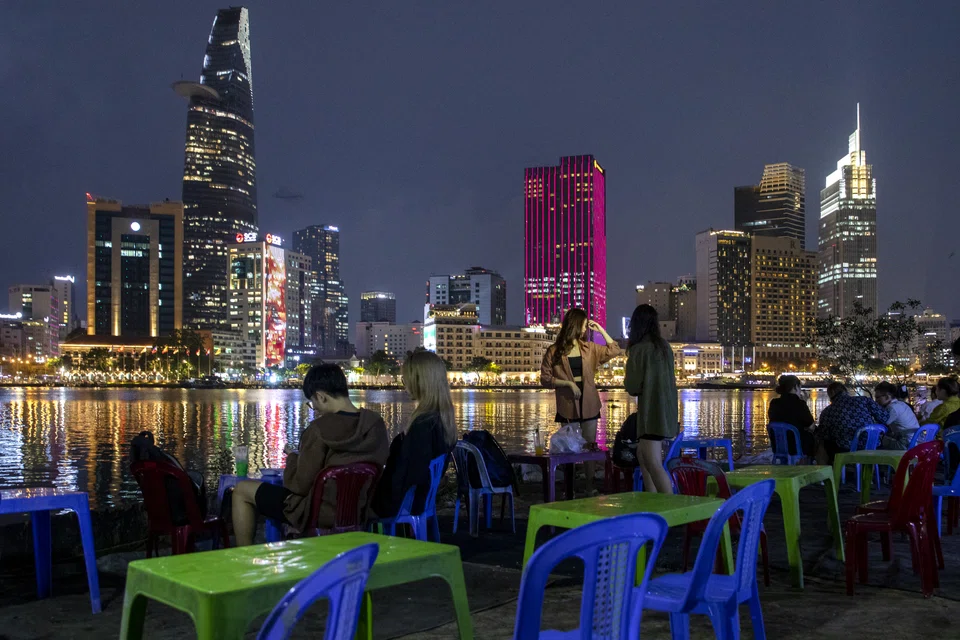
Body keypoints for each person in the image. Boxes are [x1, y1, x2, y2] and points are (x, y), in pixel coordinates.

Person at [231, 363, 389, 546]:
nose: (315, 409)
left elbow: (300, 485)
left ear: (321, 396)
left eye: (312, 403)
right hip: (360, 509)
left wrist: (292, 458)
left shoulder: (318, 430)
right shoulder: (375, 424)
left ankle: (244, 556)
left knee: (242, 490)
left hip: (316, 511)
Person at [540, 308, 621, 492]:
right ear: (575, 326)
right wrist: (568, 383)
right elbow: (545, 379)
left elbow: (614, 349)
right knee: (568, 447)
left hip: (589, 403)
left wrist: (600, 329)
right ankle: (570, 487)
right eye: (584, 326)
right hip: (567, 404)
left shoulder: (589, 348)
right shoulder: (554, 351)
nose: (585, 330)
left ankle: (589, 486)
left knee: (590, 447)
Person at [372, 350, 458, 518]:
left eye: (406, 380)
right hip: (422, 501)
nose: (405, 385)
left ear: (419, 382)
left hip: (403, 505)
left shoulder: (423, 425)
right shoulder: (442, 420)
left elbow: (408, 477)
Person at [623, 304, 678, 494]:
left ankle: (669, 507)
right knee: (643, 455)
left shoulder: (639, 349)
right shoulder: (664, 347)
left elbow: (632, 386)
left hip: (650, 414)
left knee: (653, 462)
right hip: (667, 412)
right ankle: (652, 498)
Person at [815, 382, 889, 463]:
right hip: (873, 447)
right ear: (845, 391)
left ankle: (831, 471)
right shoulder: (864, 400)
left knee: (823, 442)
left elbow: (823, 435)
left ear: (832, 393)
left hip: (846, 450)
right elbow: (884, 417)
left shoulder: (827, 411)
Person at [766, 375, 817, 457]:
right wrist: (803, 403)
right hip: (796, 446)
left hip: (778, 446)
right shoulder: (799, 404)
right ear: (795, 387)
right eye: (800, 387)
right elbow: (811, 426)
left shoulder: (774, 403)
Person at [874, 381, 920, 449]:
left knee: (874, 438)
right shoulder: (901, 404)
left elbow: (881, 424)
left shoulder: (892, 408)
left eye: (878, 397)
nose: (875, 400)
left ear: (887, 397)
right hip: (915, 440)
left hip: (905, 444)